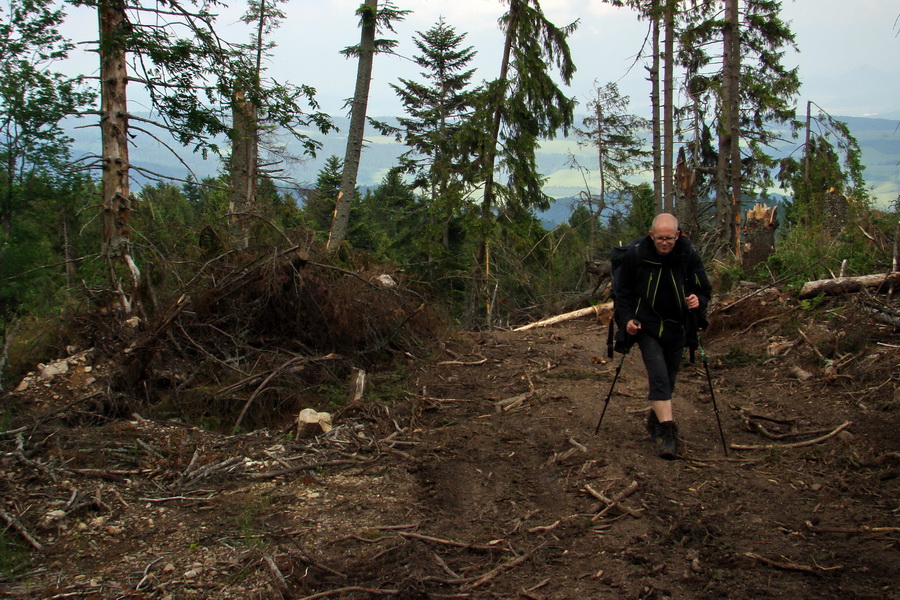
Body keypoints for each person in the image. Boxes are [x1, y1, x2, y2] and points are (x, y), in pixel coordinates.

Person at [613, 213, 712, 459]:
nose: (664, 242)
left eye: (669, 238)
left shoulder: (687, 255)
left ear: (677, 236)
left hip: (677, 327)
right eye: (660, 238)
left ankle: (654, 420)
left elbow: (704, 289)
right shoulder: (636, 255)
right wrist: (626, 321)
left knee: (668, 378)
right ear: (651, 235)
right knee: (658, 376)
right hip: (646, 327)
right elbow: (621, 293)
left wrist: (697, 300)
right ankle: (668, 433)